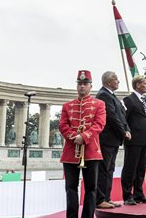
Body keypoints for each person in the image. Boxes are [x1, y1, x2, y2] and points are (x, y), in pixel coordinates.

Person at [59, 70, 106, 218]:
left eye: (85, 84)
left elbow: (100, 124)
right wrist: (74, 137)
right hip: (70, 151)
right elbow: (63, 125)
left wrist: (84, 136)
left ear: (91, 86)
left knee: (91, 188)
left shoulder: (99, 104)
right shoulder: (67, 105)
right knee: (71, 188)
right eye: (79, 83)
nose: (82, 86)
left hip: (91, 151)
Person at [95, 71, 131, 209]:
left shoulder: (112, 95)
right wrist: (123, 132)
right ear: (109, 81)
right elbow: (112, 116)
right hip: (106, 139)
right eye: (116, 79)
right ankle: (100, 199)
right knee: (104, 169)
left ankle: (106, 198)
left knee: (109, 169)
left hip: (113, 139)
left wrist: (127, 129)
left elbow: (122, 115)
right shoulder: (103, 95)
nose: (118, 81)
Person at [121, 75, 146, 205]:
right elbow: (124, 118)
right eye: (145, 83)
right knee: (130, 168)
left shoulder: (144, 101)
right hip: (133, 140)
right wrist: (126, 131)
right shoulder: (128, 100)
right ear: (138, 85)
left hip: (144, 140)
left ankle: (139, 194)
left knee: (140, 169)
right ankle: (127, 195)